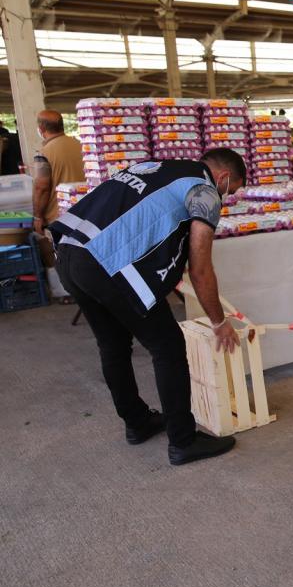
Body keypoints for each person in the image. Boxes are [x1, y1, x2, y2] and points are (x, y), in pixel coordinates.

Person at [50, 150, 247, 465]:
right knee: (167, 346)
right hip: (106, 264)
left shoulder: (154, 166)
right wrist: (218, 322)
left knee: (113, 345)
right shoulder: (205, 192)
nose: (227, 197)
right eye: (231, 190)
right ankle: (183, 441)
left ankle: (137, 423)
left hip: (70, 253)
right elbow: (200, 268)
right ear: (223, 177)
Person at [31, 110, 85, 303]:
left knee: (62, 255)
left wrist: (38, 216)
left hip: (59, 216)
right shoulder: (81, 145)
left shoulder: (43, 154)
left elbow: (41, 186)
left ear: (41, 128)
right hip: (87, 211)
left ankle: (68, 293)